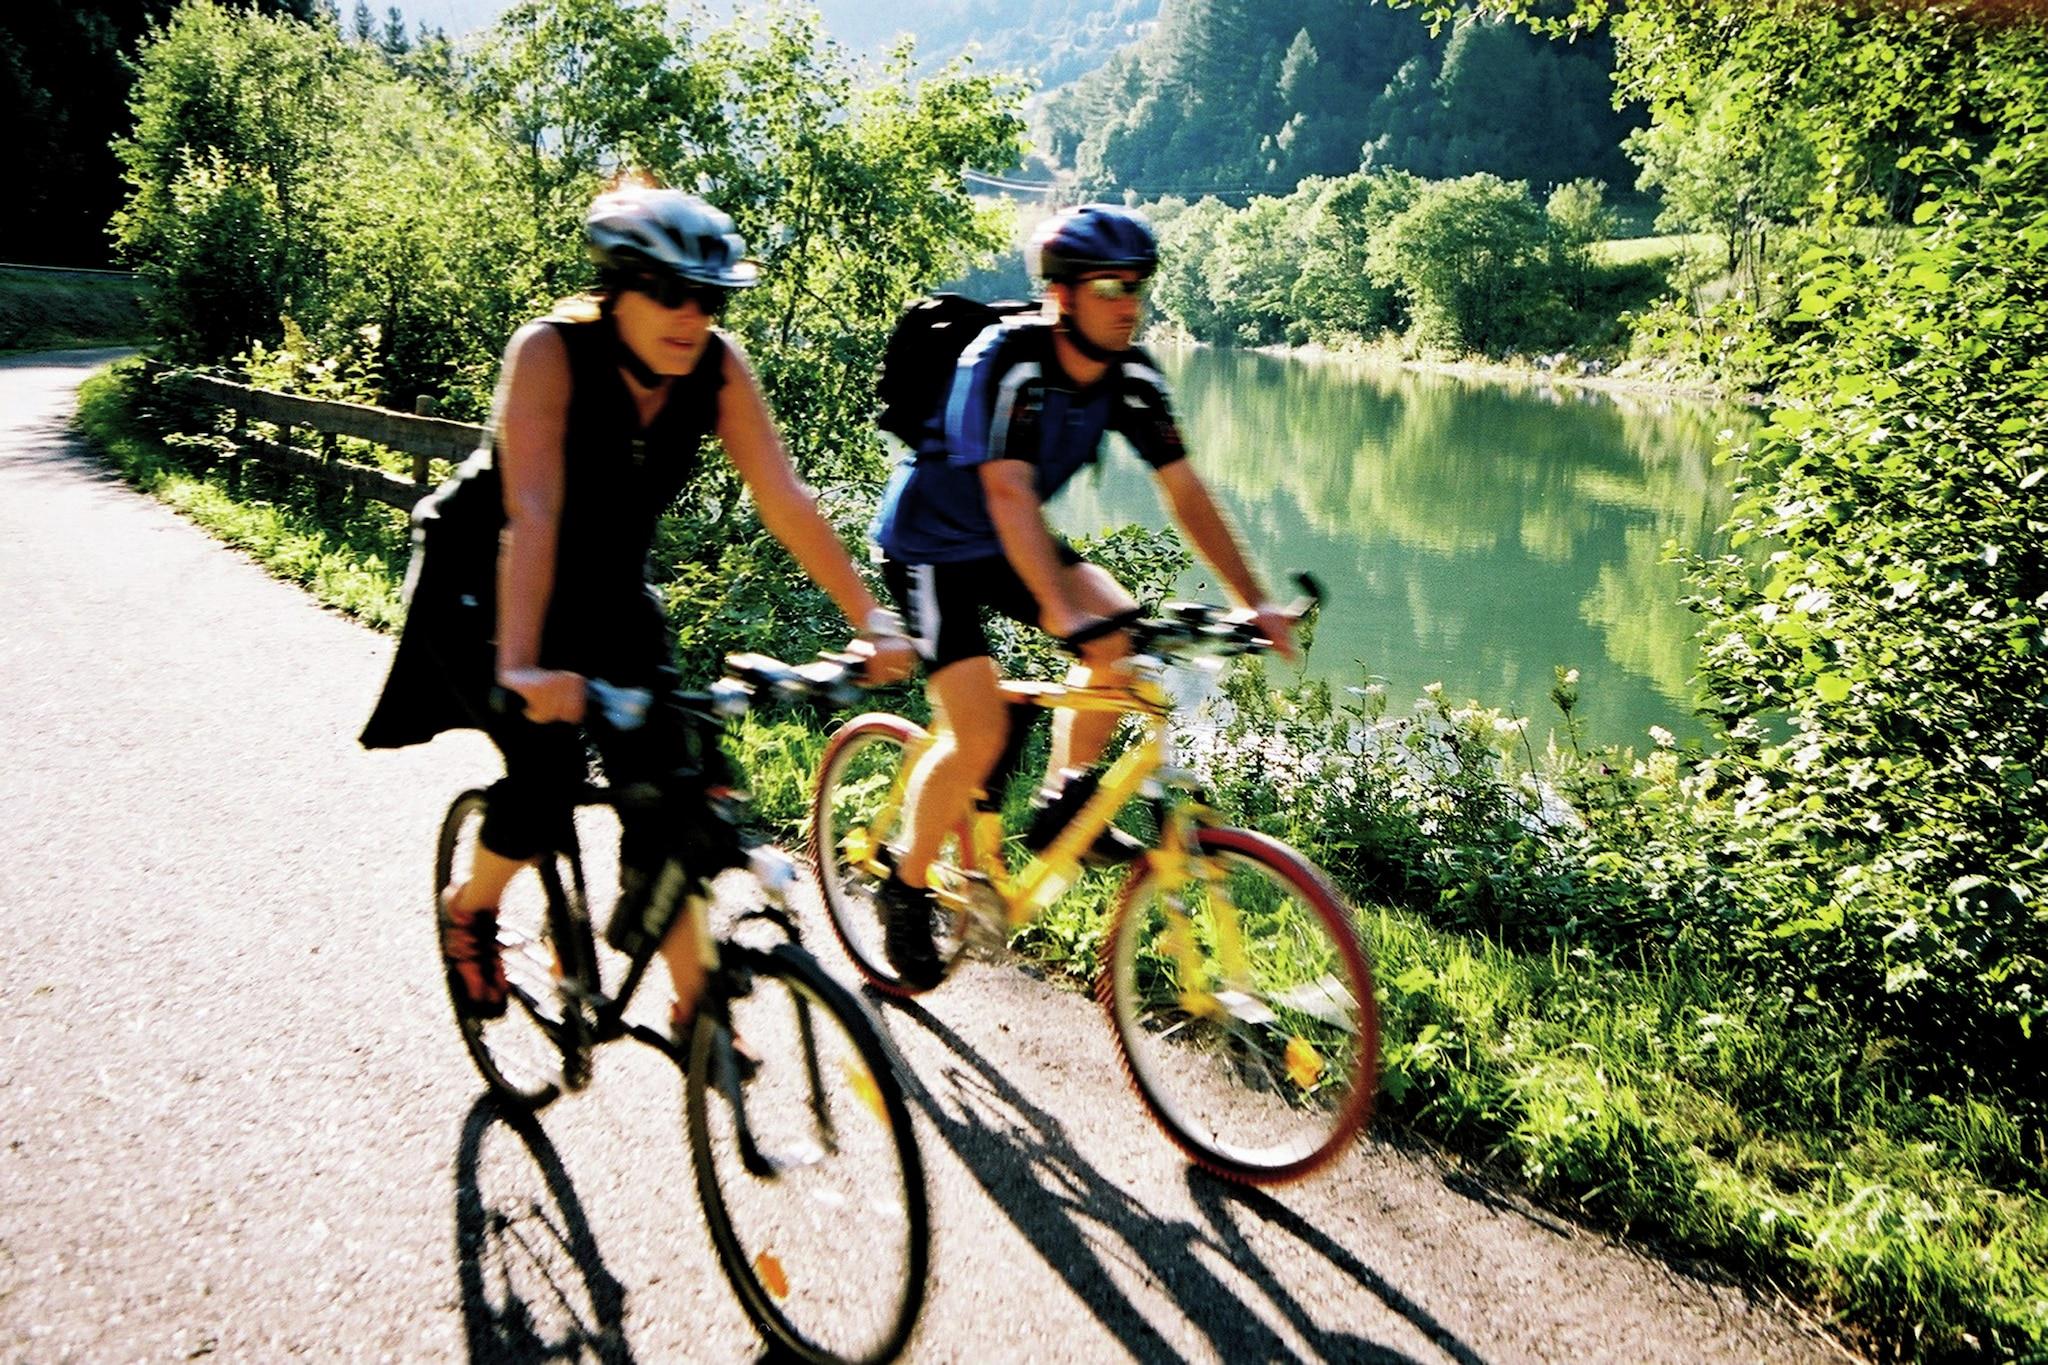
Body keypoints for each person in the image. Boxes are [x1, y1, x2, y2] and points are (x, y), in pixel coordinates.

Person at [361, 184, 916, 1030]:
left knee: (674, 787)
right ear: (618, 285)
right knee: (545, 773)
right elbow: (531, 512)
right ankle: (471, 907)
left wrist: (869, 620)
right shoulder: (550, 352)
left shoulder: (717, 367)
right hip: (483, 583)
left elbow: (784, 497)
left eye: (710, 298)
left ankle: (698, 1020)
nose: (692, 316)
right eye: (670, 292)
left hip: (608, 591)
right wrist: (523, 666)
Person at [868, 202, 1297, 989]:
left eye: (1136, 285)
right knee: (978, 730)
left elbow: (1185, 489)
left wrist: (1256, 602)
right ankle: (904, 883)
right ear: (1062, 294)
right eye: (1108, 286)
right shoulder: (1008, 360)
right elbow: (1006, 488)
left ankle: (1062, 800)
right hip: (931, 544)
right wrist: (1066, 614)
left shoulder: (1130, 374)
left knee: (1121, 635)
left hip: (1008, 539)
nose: (1128, 302)